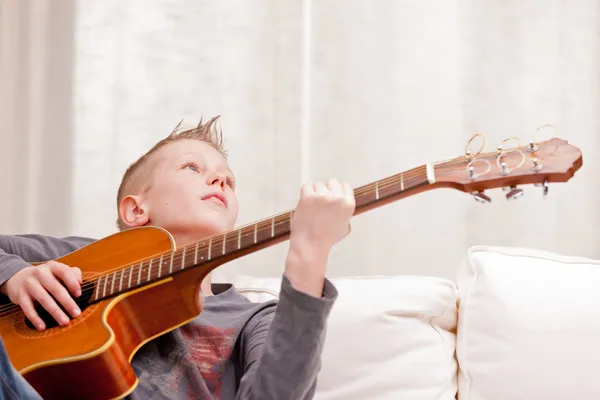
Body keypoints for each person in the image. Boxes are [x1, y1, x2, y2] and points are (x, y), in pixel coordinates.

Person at [0, 116, 355, 399]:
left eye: (229, 181)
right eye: (192, 168)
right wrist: (13, 274)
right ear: (136, 210)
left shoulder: (252, 319)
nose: (220, 180)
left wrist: (309, 253)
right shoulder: (80, 260)